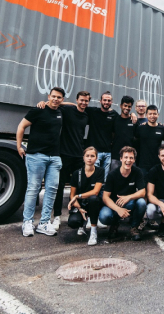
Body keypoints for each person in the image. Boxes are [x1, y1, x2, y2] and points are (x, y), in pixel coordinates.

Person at [18, 86, 65, 237]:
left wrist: (61, 103)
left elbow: (74, 105)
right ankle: (27, 222)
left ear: (62, 100)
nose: (56, 99)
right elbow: (21, 126)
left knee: (51, 190)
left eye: (59, 97)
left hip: (54, 157)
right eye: (53, 96)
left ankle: (44, 223)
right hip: (36, 155)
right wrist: (19, 146)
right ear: (49, 96)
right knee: (33, 189)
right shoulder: (38, 110)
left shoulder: (60, 111)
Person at [51, 90, 90, 231]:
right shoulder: (67, 110)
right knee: (60, 186)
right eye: (81, 100)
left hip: (79, 156)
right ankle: (56, 216)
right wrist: (72, 104)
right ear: (77, 100)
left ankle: (77, 214)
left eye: (86, 101)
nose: (83, 103)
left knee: (80, 187)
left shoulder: (87, 114)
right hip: (64, 154)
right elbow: (56, 102)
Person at [99, 146, 147, 241]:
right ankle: (114, 224)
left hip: (129, 203)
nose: (128, 160)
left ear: (134, 160)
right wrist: (118, 209)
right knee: (104, 216)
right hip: (113, 205)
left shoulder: (137, 172)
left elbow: (142, 192)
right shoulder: (112, 174)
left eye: (131, 158)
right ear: (121, 159)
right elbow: (105, 197)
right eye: (126, 157)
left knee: (141, 203)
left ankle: (134, 227)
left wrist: (128, 197)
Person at [67, 147, 105, 246]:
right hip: (81, 205)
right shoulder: (76, 173)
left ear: (96, 158)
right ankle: (82, 225)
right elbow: (72, 195)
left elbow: (95, 192)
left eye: (92, 156)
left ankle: (93, 231)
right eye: (87, 156)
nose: (89, 158)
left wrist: (78, 196)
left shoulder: (100, 171)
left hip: (94, 203)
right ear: (83, 158)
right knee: (73, 222)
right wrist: (79, 208)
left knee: (93, 198)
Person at [86, 91, 117, 178]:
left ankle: (102, 192)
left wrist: (133, 114)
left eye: (109, 100)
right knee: (93, 177)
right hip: (94, 152)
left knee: (104, 179)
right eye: (105, 100)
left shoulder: (114, 115)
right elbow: (76, 106)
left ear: (112, 102)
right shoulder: (93, 112)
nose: (106, 102)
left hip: (108, 152)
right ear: (100, 101)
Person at [134, 105, 164, 173]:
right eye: (150, 114)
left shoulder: (162, 129)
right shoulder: (141, 128)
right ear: (146, 115)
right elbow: (135, 142)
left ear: (158, 114)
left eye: (154, 113)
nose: (152, 116)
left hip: (157, 164)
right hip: (143, 165)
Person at [111, 95, 136, 169]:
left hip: (130, 157)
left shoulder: (134, 121)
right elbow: (112, 134)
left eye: (129, 106)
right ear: (121, 106)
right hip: (116, 156)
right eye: (125, 105)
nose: (127, 108)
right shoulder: (115, 119)